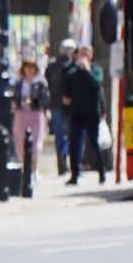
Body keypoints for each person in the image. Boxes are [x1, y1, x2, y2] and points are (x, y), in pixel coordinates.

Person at [61, 45, 107, 184]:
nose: (83, 57)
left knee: (94, 143)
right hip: (77, 113)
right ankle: (75, 174)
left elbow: (97, 85)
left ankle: (102, 172)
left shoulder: (96, 70)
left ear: (91, 56)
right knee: (74, 144)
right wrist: (66, 98)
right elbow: (67, 89)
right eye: (81, 54)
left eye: (86, 54)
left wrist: (87, 71)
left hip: (92, 113)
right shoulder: (73, 73)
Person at [12, 57, 48, 193]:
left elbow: (45, 99)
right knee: (19, 139)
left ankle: (34, 168)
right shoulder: (19, 83)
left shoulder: (40, 83)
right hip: (21, 114)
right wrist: (15, 103)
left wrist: (33, 103)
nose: (29, 70)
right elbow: (14, 95)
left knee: (36, 143)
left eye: (32, 67)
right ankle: (25, 167)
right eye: (27, 67)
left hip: (35, 114)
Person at [44, 42, 73, 178]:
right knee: (72, 133)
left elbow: (48, 83)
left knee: (59, 134)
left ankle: (61, 162)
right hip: (69, 104)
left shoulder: (51, 67)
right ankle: (63, 155)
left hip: (55, 104)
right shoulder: (72, 66)